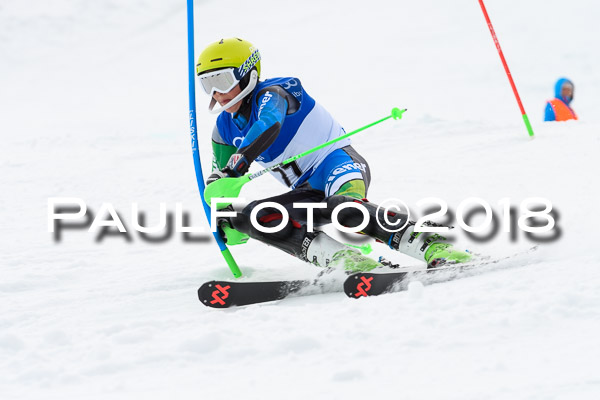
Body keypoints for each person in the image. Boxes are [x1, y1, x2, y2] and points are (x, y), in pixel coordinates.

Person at [196, 37, 471, 272]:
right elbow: (220, 185)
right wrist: (225, 216)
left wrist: (236, 167)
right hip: (306, 190)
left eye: (222, 80)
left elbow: (269, 123)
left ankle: (432, 245)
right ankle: (342, 259)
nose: (217, 93)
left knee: (344, 208)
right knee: (253, 216)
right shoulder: (223, 129)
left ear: (248, 74)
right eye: (208, 84)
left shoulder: (276, 91)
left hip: (338, 164)